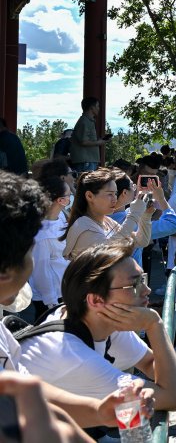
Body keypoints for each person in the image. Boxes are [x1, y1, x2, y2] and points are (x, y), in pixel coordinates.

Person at [0, 172, 158, 436]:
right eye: (29, 251)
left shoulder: (4, 334)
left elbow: (27, 393)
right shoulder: (83, 227)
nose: (114, 198)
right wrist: (155, 325)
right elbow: (171, 396)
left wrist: (98, 412)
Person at [19, 242, 176, 423]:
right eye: (134, 285)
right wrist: (155, 324)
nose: (147, 290)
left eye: (142, 279)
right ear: (95, 300)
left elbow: (150, 362)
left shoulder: (97, 318)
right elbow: (174, 397)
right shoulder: (74, 357)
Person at [61, 170, 152, 262]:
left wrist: (146, 215)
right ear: (89, 196)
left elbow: (141, 241)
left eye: (115, 194)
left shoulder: (107, 221)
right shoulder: (83, 225)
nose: (114, 199)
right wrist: (134, 214)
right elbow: (107, 253)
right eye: (109, 194)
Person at [29, 173, 71, 319]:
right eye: (68, 195)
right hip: (50, 301)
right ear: (61, 200)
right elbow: (41, 271)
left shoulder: (59, 216)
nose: (71, 197)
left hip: (64, 291)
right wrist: (51, 303)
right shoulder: (42, 235)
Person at [69, 99, 108, 173]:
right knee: (87, 183)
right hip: (86, 162)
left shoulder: (88, 121)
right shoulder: (84, 121)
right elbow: (83, 142)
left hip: (88, 161)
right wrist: (99, 142)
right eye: (97, 106)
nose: (99, 109)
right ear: (92, 108)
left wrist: (99, 140)